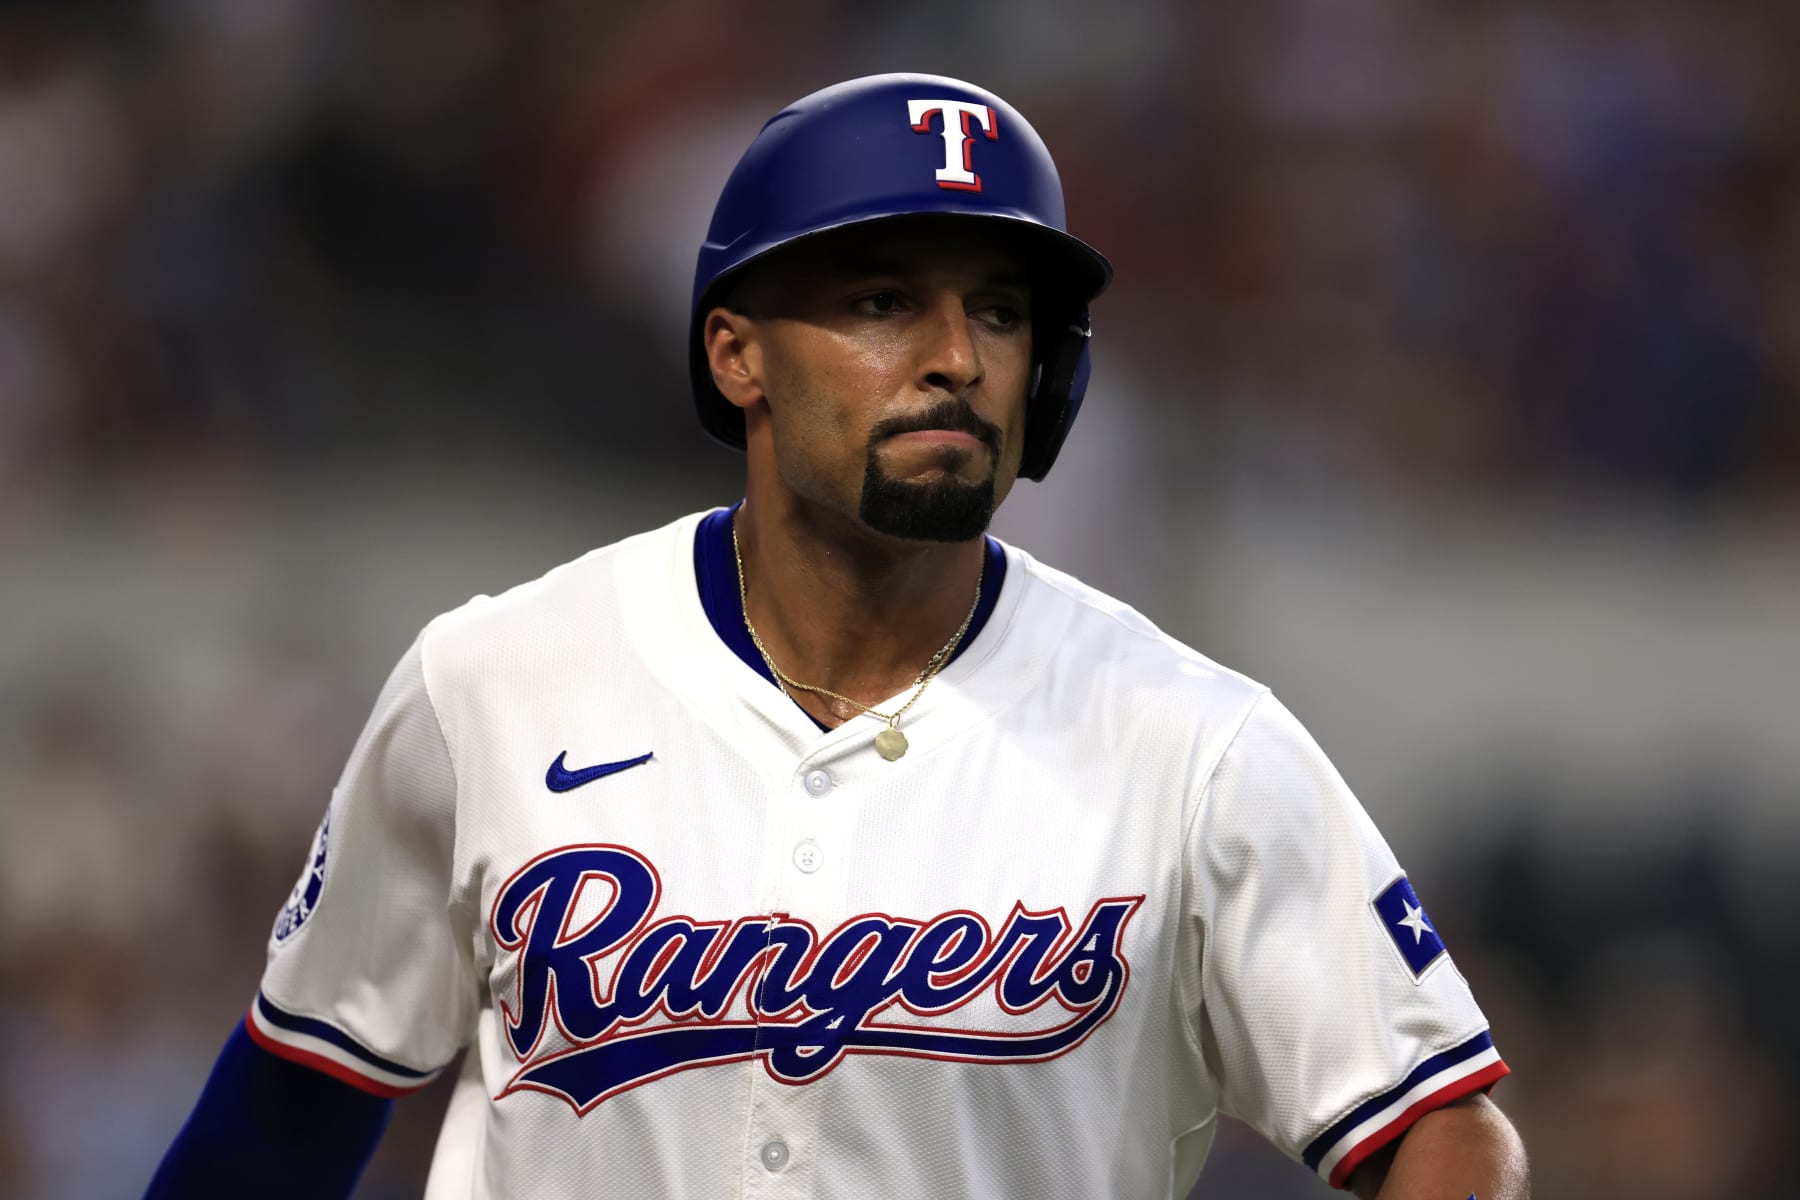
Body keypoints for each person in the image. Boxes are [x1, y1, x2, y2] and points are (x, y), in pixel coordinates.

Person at [147, 73, 1528, 1199]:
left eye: (999, 310)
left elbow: (1443, 1128)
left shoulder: (1194, 746)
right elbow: (290, 1110)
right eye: (883, 301)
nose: (956, 355)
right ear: (736, 352)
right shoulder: (494, 684)